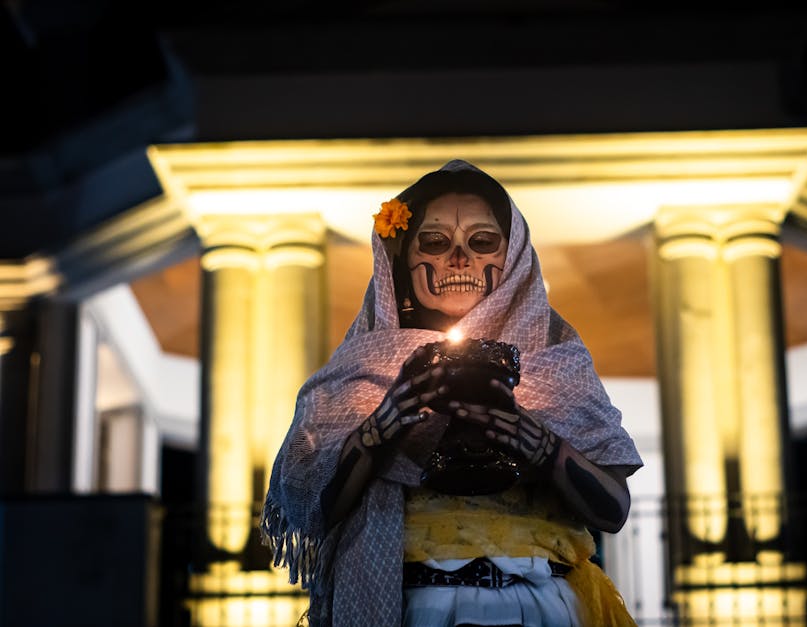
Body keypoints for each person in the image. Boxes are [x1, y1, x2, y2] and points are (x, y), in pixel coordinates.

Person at [261, 160, 643, 626]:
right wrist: (384, 425)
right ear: (402, 258)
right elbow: (315, 510)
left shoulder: (556, 359)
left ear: (514, 255)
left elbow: (614, 509)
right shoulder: (359, 373)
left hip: (541, 605)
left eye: (481, 242)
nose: (458, 260)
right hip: (412, 607)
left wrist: (535, 442)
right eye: (436, 243)